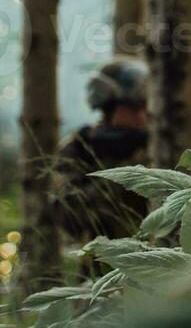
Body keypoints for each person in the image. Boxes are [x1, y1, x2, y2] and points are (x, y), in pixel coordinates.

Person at [56, 60, 152, 246]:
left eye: (144, 106)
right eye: (133, 108)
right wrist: (125, 171)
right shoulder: (81, 148)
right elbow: (68, 216)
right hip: (104, 262)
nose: (142, 115)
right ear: (108, 108)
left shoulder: (158, 143)